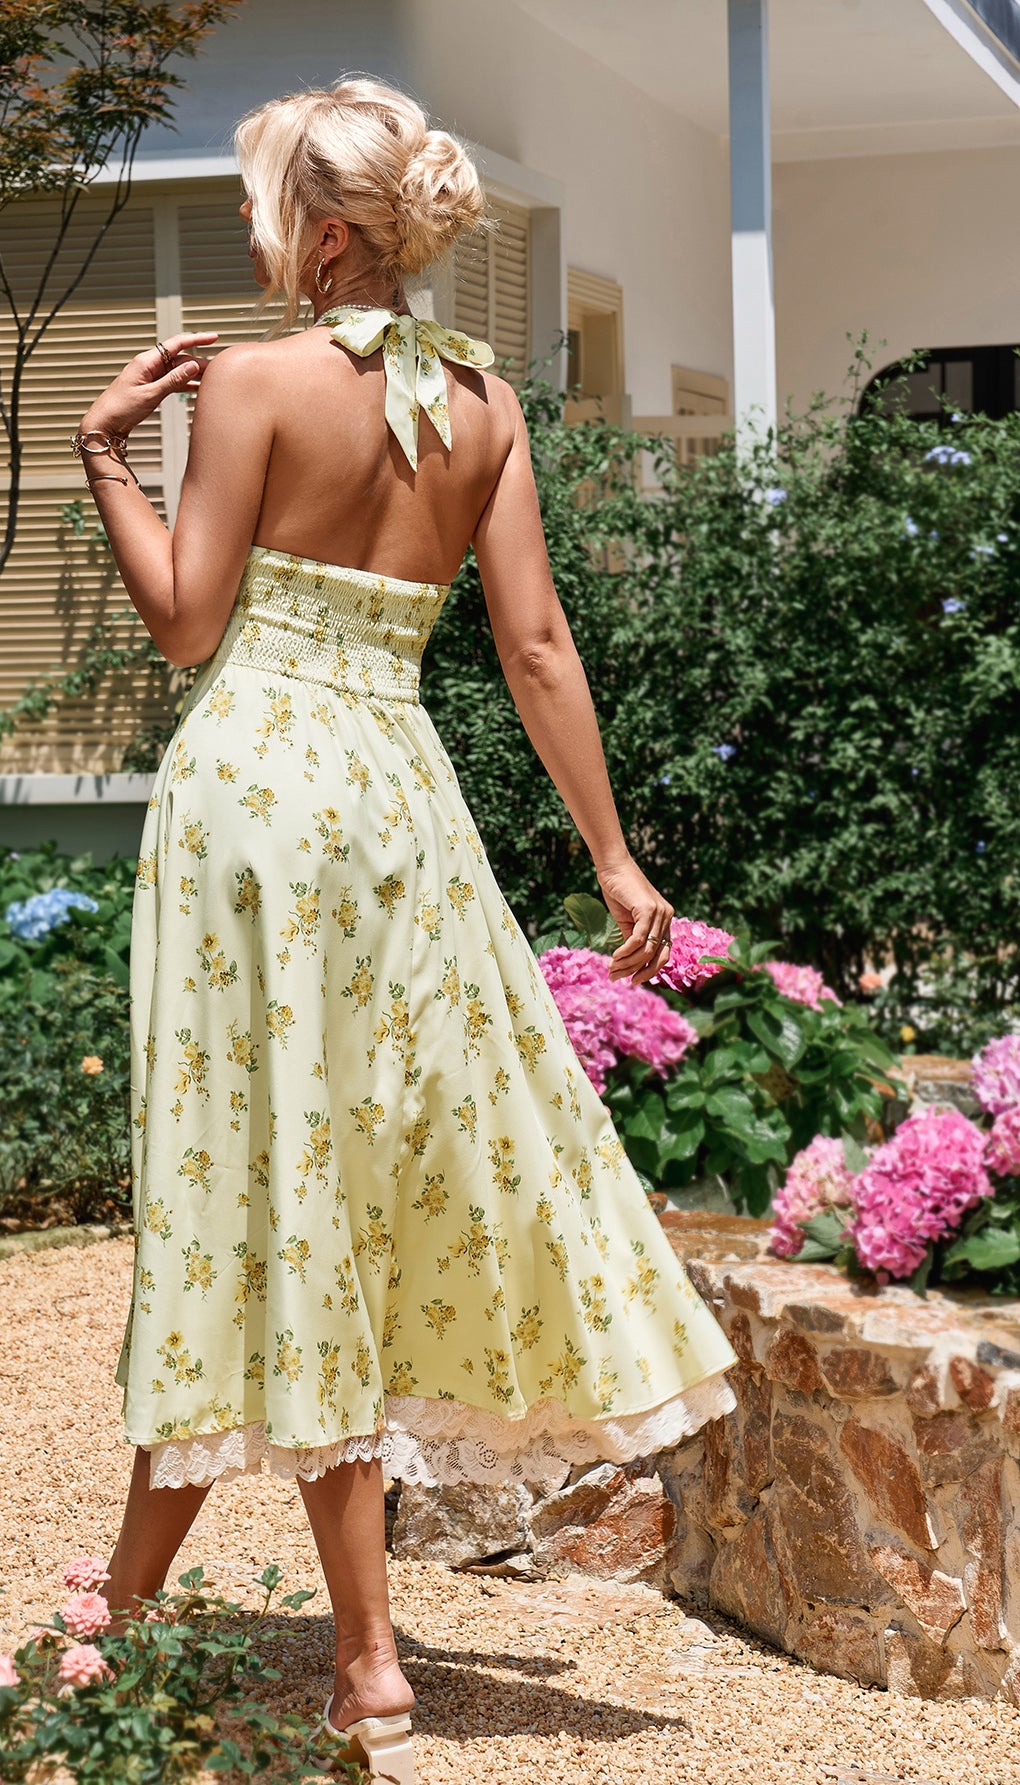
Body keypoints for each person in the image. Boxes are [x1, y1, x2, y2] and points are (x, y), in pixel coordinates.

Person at [75, 76, 738, 1783]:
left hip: (253, 806)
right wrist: (613, 858)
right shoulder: (486, 404)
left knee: (252, 1188)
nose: (250, 230)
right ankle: (138, 1606)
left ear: (326, 233)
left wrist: (103, 457)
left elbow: (185, 622)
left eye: (259, 203)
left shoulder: (252, 385)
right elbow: (536, 646)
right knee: (336, 1189)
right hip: (398, 805)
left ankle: (361, 1654)